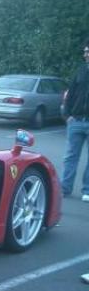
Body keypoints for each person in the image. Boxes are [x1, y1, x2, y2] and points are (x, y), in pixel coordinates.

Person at [61, 39, 89, 202]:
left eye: (87, 51)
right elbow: (70, 94)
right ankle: (65, 188)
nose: (85, 54)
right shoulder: (80, 71)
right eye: (85, 51)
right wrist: (68, 114)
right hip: (76, 121)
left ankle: (87, 190)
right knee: (71, 156)